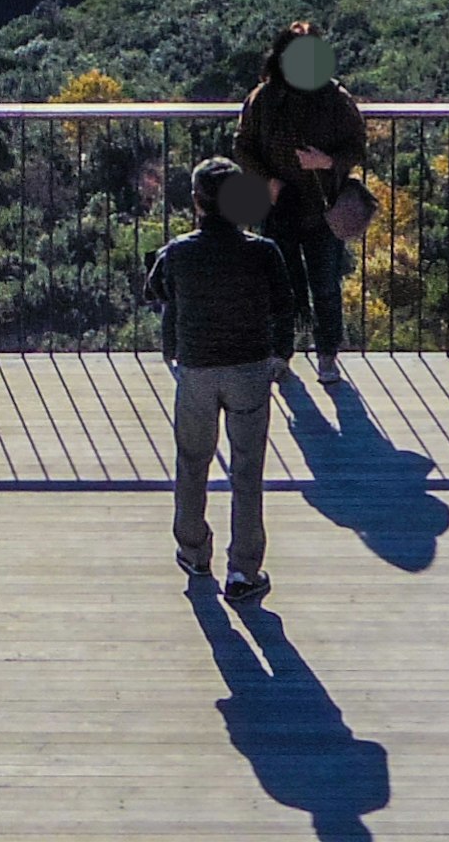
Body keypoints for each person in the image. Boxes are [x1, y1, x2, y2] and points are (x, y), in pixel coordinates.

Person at [149, 155, 301, 605]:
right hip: (249, 368)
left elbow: (156, 291)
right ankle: (244, 569)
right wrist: (279, 356)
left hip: (195, 367)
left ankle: (194, 551)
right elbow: (285, 305)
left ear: (196, 202)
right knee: (247, 471)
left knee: (192, 462)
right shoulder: (262, 251)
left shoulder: (177, 252)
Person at [238, 21, 369, 386]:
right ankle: (280, 353)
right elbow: (243, 145)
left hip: (323, 207)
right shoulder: (263, 98)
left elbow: (358, 145)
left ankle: (327, 355)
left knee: (324, 284)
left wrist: (327, 162)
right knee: (279, 285)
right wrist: (269, 182)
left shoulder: (334, 98)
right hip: (278, 206)